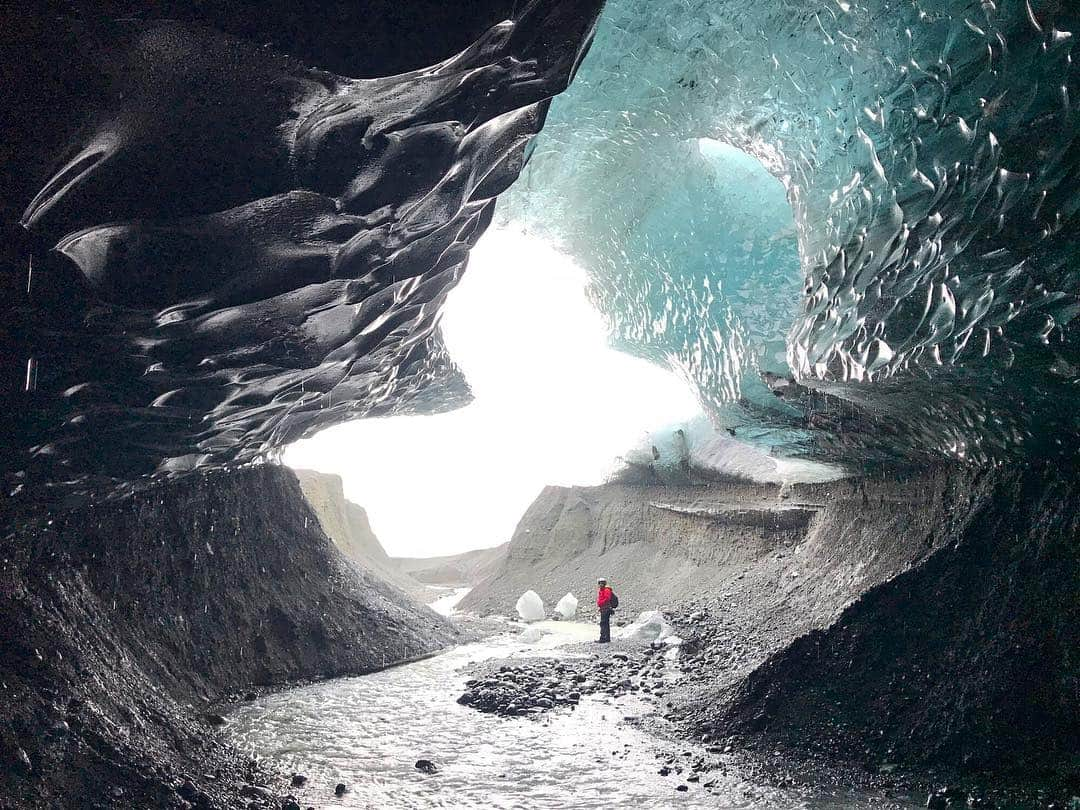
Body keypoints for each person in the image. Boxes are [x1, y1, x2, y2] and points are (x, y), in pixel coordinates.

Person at [596, 578, 613, 643]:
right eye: (600, 583)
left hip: (606, 609)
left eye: (602, 583)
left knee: (603, 623)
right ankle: (607, 638)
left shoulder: (606, 590)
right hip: (604, 609)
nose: (601, 584)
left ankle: (603, 638)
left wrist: (600, 603)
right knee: (605, 624)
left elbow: (607, 599)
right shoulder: (602, 590)